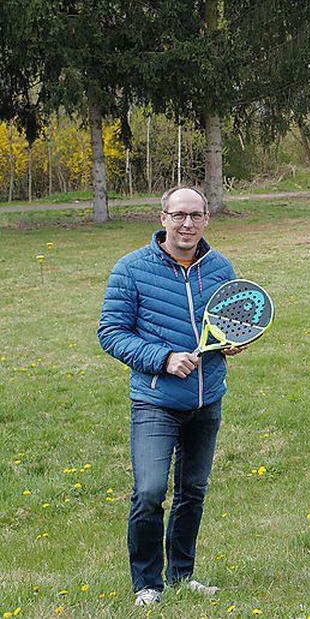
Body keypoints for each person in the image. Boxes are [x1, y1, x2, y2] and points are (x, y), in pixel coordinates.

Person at [98, 186, 245, 607]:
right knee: (148, 491)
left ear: (206, 219)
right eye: (178, 215)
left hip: (206, 400)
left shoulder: (219, 267)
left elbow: (229, 321)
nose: (187, 224)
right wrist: (163, 359)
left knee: (192, 492)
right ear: (162, 218)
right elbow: (110, 332)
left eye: (195, 215)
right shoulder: (131, 269)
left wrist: (231, 344)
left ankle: (182, 575)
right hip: (155, 402)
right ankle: (147, 583)